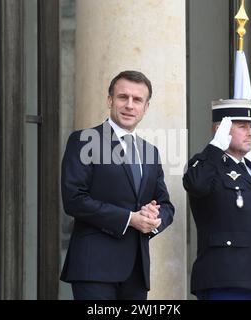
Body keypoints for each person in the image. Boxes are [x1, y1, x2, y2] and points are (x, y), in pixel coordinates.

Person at [60, 70, 175, 300]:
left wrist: (153, 217)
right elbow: (74, 200)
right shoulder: (84, 141)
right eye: (123, 97)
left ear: (146, 107)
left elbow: (166, 206)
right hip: (95, 269)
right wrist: (130, 219)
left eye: (137, 100)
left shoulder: (150, 152)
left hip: (136, 271)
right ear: (110, 100)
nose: (129, 105)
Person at [183, 99, 251, 300]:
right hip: (223, 277)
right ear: (220, 129)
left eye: (250, 126)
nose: (250, 132)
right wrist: (215, 147)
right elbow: (196, 184)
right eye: (242, 127)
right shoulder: (206, 164)